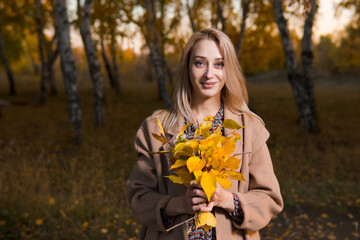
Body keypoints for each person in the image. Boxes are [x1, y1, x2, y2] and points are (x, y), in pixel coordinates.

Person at [126, 28, 283, 240]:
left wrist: (226, 199)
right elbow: (139, 197)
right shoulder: (156, 129)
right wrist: (180, 203)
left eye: (219, 64)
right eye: (200, 63)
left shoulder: (249, 128)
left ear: (229, 70)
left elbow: (270, 199)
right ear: (188, 68)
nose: (209, 74)